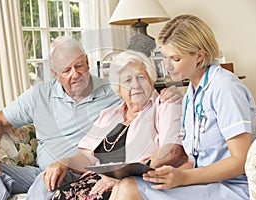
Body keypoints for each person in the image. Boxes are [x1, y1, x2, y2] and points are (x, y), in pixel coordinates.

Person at [0, 36, 182, 200]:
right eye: (66, 70)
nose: (75, 74)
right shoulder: (41, 96)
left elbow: (143, 94)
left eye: (79, 66)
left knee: (47, 182)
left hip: (76, 174)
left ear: (87, 62)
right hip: (49, 169)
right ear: (55, 74)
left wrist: (168, 93)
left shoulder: (112, 92)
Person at [109, 14, 256, 200]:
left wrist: (184, 177)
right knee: (125, 184)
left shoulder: (225, 88)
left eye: (176, 59)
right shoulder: (191, 96)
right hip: (203, 183)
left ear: (199, 56)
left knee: (129, 190)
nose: (167, 66)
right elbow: (192, 161)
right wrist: (167, 174)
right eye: (165, 57)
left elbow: (240, 160)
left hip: (233, 187)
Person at [46, 50, 186, 200]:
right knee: (58, 195)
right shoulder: (110, 114)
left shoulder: (165, 105)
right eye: (127, 81)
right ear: (118, 90)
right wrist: (65, 162)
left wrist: (123, 174)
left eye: (141, 77)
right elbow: (88, 156)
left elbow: (171, 152)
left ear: (151, 81)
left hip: (135, 182)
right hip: (99, 180)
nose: (136, 85)